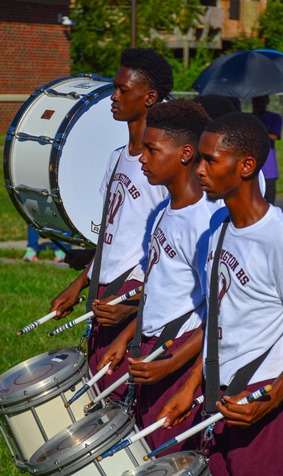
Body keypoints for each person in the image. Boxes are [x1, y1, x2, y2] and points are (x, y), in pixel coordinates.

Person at [157, 112, 283, 475]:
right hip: (219, 395)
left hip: (263, 398)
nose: (199, 169)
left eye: (210, 160)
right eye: (198, 158)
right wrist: (191, 387)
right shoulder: (219, 228)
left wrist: (270, 399)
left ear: (246, 166)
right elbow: (220, 322)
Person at [95, 98, 218, 454]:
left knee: (170, 459)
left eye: (151, 149)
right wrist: (128, 337)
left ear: (184, 153)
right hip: (148, 352)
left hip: (178, 358)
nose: (142, 158)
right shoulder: (165, 210)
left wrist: (175, 364)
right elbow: (157, 287)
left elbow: (218, 312)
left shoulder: (207, 222)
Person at [49, 48, 174, 392]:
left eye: (122, 90)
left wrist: (133, 303)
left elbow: (170, 249)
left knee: (121, 399)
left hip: (135, 294)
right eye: (114, 88)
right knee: (97, 393)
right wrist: (80, 284)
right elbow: (110, 235)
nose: (113, 97)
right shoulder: (117, 158)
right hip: (102, 293)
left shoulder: (162, 170)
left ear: (150, 98)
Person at [252, 95, 282, 204]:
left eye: (262, 101)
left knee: (269, 202)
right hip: (252, 166)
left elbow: (274, 136)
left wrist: (258, 123)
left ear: (267, 101)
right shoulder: (248, 118)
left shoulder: (274, 117)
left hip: (269, 168)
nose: (259, 104)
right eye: (256, 101)